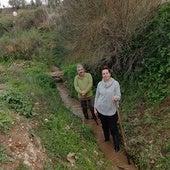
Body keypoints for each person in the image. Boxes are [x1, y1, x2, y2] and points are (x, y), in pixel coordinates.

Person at [94, 66, 121, 152]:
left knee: (113, 128)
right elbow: (97, 97)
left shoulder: (115, 83)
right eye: (103, 74)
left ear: (110, 74)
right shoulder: (99, 84)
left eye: (107, 73)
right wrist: (95, 108)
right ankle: (106, 139)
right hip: (101, 109)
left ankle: (117, 145)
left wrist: (116, 98)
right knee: (104, 126)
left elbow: (119, 95)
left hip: (112, 110)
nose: (105, 75)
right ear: (102, 75)